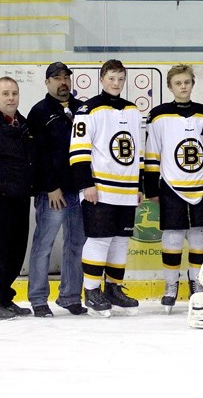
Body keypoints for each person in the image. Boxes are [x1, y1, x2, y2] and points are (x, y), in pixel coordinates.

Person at [69, 60, 143, 317]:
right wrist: (86, 184)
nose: (116, 83)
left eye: (120, 79)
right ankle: (91, 291)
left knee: (121, 240)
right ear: (102, 79)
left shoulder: (133, 110)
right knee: (99, 240)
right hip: (99, 188)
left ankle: (113, 288)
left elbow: (137, 152)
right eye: (111, 78)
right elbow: (78, 151)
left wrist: (139, 185)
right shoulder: (88, 109)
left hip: (127, 189)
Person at [144, 64, 203, 311]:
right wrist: (151, 188)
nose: (183, 87)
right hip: (171, 186)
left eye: (187, 82)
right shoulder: (159, 115)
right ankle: (170, 286)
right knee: (172, 237)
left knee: (199, 236)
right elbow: (152, 152)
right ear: (170, 86)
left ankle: (197, 283)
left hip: (201, 184)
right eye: (178, 83)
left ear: (192, 84)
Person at [26, 62, 86, 318]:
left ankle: (71, 296)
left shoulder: (81, 109)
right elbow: (37, 154)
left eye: (66, 78)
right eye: (57, 78)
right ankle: (39, 299)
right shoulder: (39, 112)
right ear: (47, 82)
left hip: (79, 191)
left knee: (77, 244)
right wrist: (51, 187)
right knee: (44, 244)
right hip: (52, 193)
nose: (63, 82)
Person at [0, 77, 35, 319]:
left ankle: (5, 297)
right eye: (5, 94)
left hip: (20, 197)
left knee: (15, 251)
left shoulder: (22, 123)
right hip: (2, 199)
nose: (11, 98)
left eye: (14, 93)